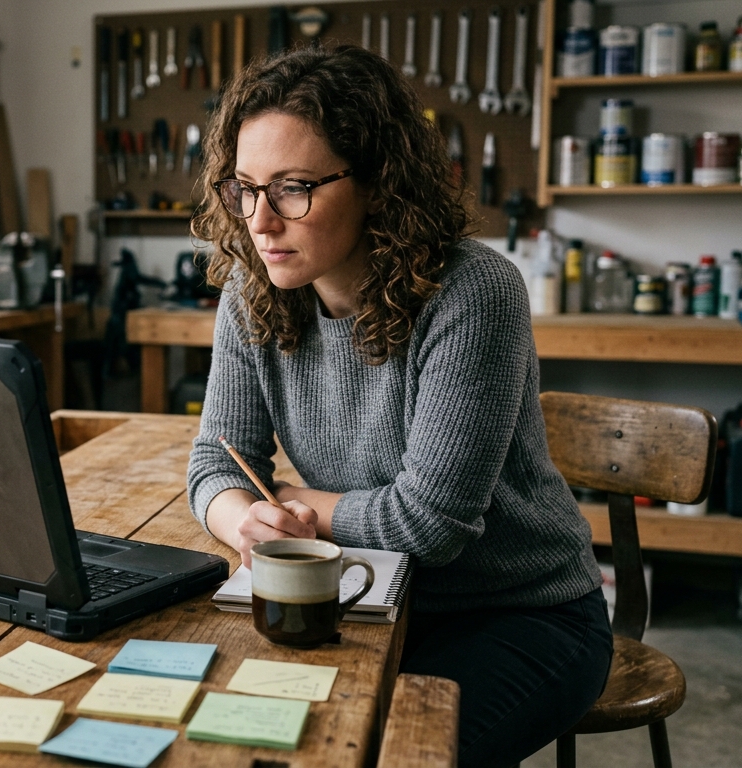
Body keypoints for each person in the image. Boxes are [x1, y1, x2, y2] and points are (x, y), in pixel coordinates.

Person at [186, 45, 613, 768]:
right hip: (362, 595)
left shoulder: (474, 292)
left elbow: (430, 524)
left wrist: (298, 501)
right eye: (244, 188)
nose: (261, 222)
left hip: (515, 614)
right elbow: (214, 461)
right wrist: (246, 519)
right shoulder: (250, 292)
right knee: (230, 742)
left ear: (379, 183)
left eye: (293, 188)